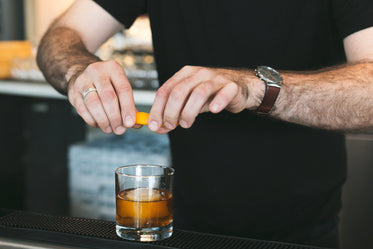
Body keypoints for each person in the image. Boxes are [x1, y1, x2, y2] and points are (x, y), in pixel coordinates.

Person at [37, 0, 373, 247]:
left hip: (303, 226)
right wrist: (79, 70)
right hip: (188, 219)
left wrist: (255, 88)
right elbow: (62, 35)